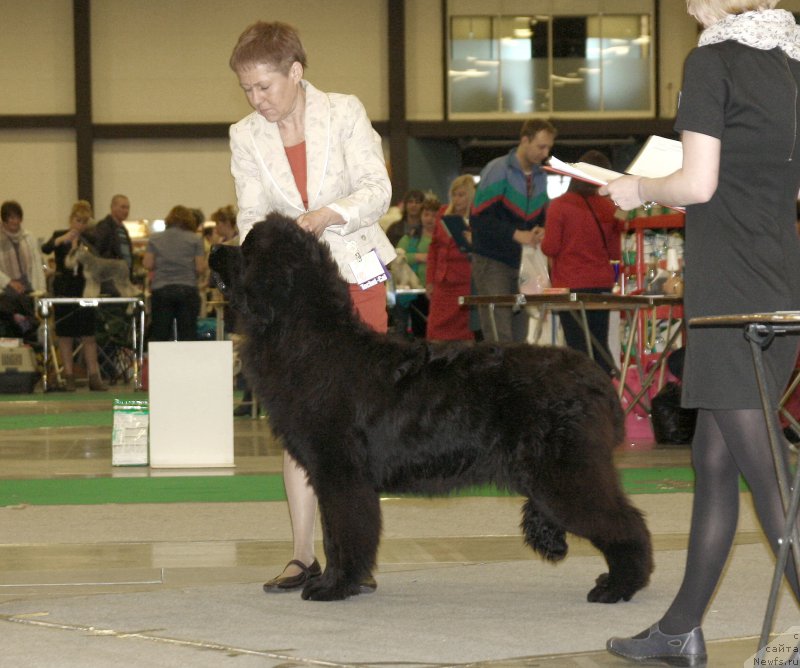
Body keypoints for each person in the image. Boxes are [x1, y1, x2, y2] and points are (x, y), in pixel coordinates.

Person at [601, 2, 800, 664]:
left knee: (771, 485)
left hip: (728, 297)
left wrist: (638, 187)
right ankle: (679, 629)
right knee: (714, 461)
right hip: (780, 285)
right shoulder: (792, 63)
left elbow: (698, 181)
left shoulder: (710, 61)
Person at [228, 20, 393, 592]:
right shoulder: (245, 135)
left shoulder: (345, 111)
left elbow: (378, 189)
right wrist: (285, 238)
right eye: (247, 89)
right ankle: (302, 555)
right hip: (296, 299)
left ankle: (351, 555)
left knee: (353, 426)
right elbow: (249, 218)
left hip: (359, 274)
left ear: (296, 72)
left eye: (265, 87)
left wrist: (328, 215)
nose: (256, 100)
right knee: (302, 422)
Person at [470, 119, 557, 342]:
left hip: (522, 262)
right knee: (500, 335)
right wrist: (516, 234)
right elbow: (479, 218)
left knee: (519, 337)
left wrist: (540, 230)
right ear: (524, 140)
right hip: (493, 261)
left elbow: (539, 216)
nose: (545, 153)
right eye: (541, 147)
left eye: (548, 147)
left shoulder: (541, 177)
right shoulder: (497, 170)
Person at [540, 150, 625, 376]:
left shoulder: (559, 206)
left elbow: (550, 248)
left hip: (571, 285)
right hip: (601, 285)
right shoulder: (611, 208)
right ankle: (605, 390)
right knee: (600, 344)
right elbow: (616, 252)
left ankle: (582, 397)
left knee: (577, 347)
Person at [40, 201, 107, 391]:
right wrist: (61, 241)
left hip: (84, 287)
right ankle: (68, 375)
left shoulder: (89, 239)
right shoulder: (58, 235)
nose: (80, 225)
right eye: (78, 220)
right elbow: (45, 249)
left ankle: (94, 376)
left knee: (89, 334)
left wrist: (81, 245)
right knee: (65, 334)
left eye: (84, 222)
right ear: (71, 219)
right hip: (64, 287)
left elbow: (97, 255)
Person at [142, 205, 206, 342]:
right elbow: (200, 267)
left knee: (160, 334)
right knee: (188, 334)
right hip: (187, 290)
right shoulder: (196, 239)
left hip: (161, 291)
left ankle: (160, 363)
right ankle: (187, 363)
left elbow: (147, 264)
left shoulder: (155, 238)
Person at [426, 175, 475, 341]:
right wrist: (430, 280)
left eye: (461, 195)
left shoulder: (476, 218)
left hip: (464, 283)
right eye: (454, 194)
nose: (457, 199)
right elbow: (433, 249)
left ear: (470, 196)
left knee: (463, 332)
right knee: (434, 329)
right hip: (441, 284)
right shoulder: (442, 213)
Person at [0, 200, 46, 341]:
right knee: (15, 300)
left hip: (28, 284)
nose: (15, 221)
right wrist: (10, 282)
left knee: (22, 301)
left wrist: (41, 288)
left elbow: (37, 264)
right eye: (11, 218)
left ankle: (24, 323)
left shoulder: (29, 237)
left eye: (17, 217)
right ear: (4, 220)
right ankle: (29, 324)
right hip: (5, 286)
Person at [393, 196, 436, 338]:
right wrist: (420, 257)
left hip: (436, 291)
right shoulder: (410, 238)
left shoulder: (443, 238)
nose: (429, 219)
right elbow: (397, 257)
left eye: (434, 215)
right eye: (426, 214)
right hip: (415, 293)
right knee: (419, 333)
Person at [89, 194, 133, 293]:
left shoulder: (123, 229)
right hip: (111, 278)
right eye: (123, 207)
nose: (126, 211)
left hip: (122, 276)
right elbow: (97, 251)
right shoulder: (104, 227)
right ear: (113, 207)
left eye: (128, 208)